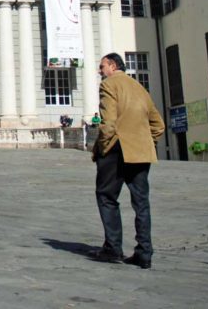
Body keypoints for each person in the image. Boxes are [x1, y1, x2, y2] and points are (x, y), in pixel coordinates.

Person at [90, 53, 165, 268]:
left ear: (112, 66)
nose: (100, 70)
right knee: (141, 203)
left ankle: (113, 248)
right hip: (141, 153)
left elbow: (109, 122)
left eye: (102, 66)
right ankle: (144, 252)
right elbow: (158, 125)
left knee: (106, 196)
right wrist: (144, 141)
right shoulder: (139, 88)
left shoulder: (109, 85)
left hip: (116, 150)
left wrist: (103, 149)